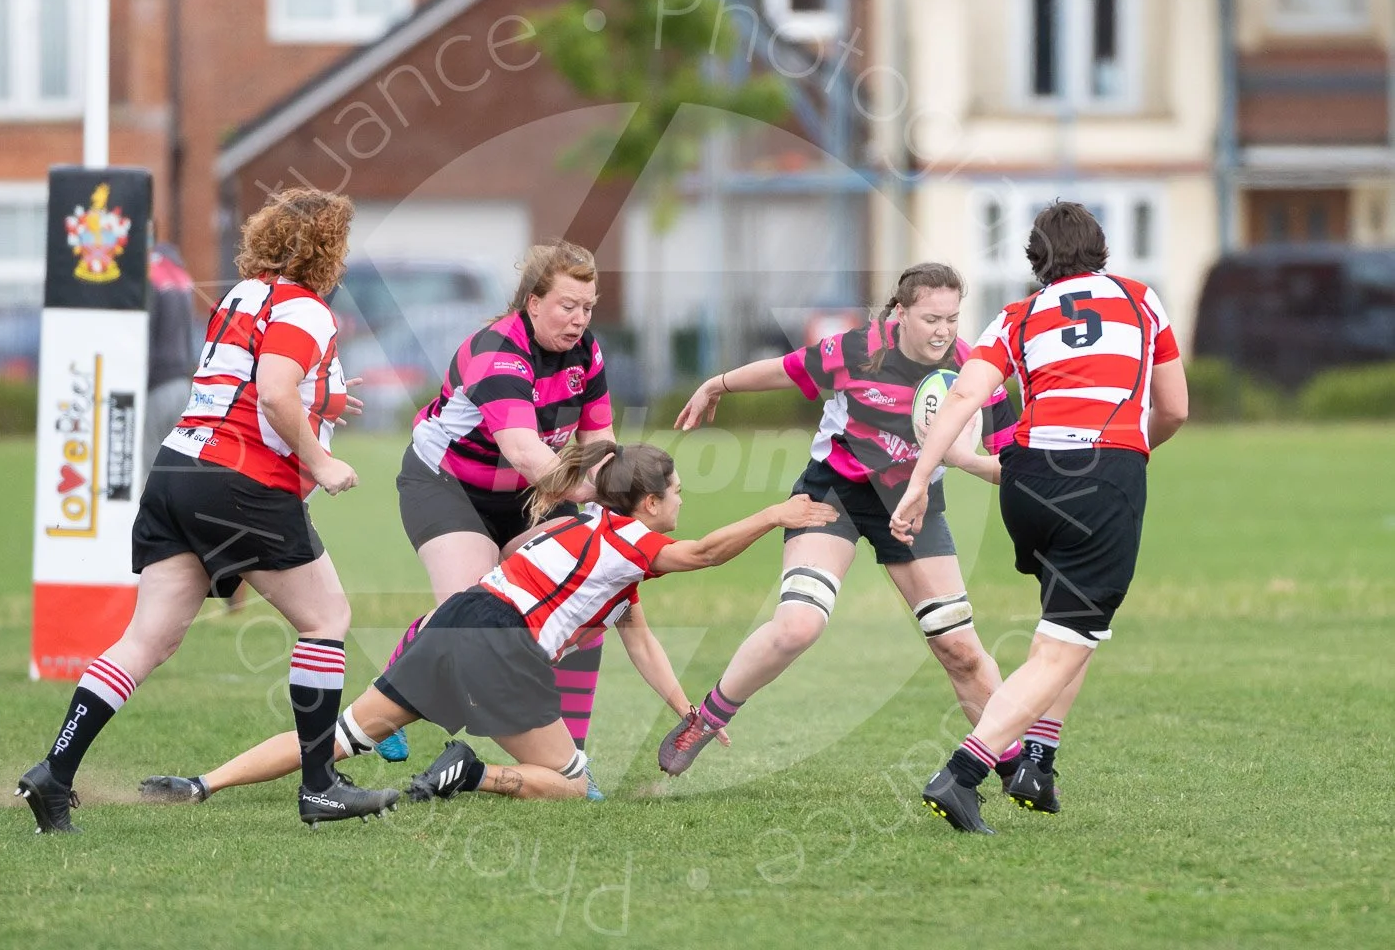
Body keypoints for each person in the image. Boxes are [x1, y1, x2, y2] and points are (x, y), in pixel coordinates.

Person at [139, 442, 837, 803]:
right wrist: (776, 513)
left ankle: (202, 785)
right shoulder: (629, 541)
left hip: (459, 618)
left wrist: (693, 714)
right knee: (569, 784)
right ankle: (470, 775)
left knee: (343, 735)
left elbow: (642, 642)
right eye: (678, 490)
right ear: (649, 502)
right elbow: (707, 553)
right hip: (503, 643)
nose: (684, 499)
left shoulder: (591, 528)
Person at [16, 187, 402, 833]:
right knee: (327, 616)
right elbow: (275, 394)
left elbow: (249, 383)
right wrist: (324, 460)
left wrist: (323, 398)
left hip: (176, 470)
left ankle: (54, 774)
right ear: (327, 247)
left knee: (148, 639)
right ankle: (320, 787)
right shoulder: (306, 309)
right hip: (237, 480)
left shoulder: (242, 295)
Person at [656, 262, 1023, 777]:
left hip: (912, 506)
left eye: (952, 319)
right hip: (837, 493)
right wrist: (716, 384)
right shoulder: (858, 350)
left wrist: (964, 460)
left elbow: (1014, 466)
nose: (943, 331)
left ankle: (1014, 763)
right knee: (797, 627)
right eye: (931, 319)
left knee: (959, 649)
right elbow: (785, 369)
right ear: (900, 312)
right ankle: (707, 719)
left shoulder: (975, 372)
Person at [891, 201, 1188, 834]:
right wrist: (1131, 454)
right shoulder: (1140, 300)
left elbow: (966, 393)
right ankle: (962, 775)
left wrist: (920, 482)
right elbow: (1175, 408)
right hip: (1101, 477)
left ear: (1036, 259)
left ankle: (1038, 764)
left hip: (1026, 479)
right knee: (1062, 645)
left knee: (1068, 631)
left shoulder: (1016, 315)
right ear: (1101, 249)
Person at [384, 241, 618, 796]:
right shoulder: (498, 352)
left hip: (529, 495)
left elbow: (602, 443)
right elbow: (525, 452)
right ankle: (390, 699)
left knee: (590, 603)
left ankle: (573, 765)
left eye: (587, 307)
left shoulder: (587, 353)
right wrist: (587, 491)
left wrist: (614, 500)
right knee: (471, 616)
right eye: (567, 305)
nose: (579, 319)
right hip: (447, 484)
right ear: (533, 303)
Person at [141, 242, 200, 452]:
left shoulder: (150, 275)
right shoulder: (181, 278)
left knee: (147, 462)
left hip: (157, 385)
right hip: (183, 385)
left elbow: (145, 334)